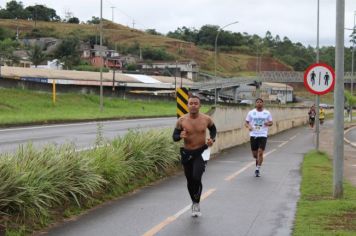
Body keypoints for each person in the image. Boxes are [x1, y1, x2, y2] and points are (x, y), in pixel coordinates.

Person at [172, 95, 217, 217]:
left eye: (195, 103)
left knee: (197, 177)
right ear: (187, 105)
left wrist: (212, 139)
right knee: (190, 180)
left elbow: (213, 130)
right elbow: (174, 137)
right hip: (187, 153)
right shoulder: (181, 120)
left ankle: (196, 203)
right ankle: (194, 201)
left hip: (201, 152)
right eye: (191, 103)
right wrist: (180, 136)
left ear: (199, 105)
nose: (193, 105)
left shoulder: (206, 119)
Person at [245, 98, 273, 177]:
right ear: (255, 103)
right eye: (257, 102)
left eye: (261, 102)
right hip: (253, 134)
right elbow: (246, 123)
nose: (259, 103)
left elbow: (271, 122)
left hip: (263, 134)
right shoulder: (251, 113)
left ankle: (257, 169)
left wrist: (268, 123)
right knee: (255, 155)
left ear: (263, 103)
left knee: (260, 152)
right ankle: (257, 160)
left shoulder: (267, 113)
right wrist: (249, 126)